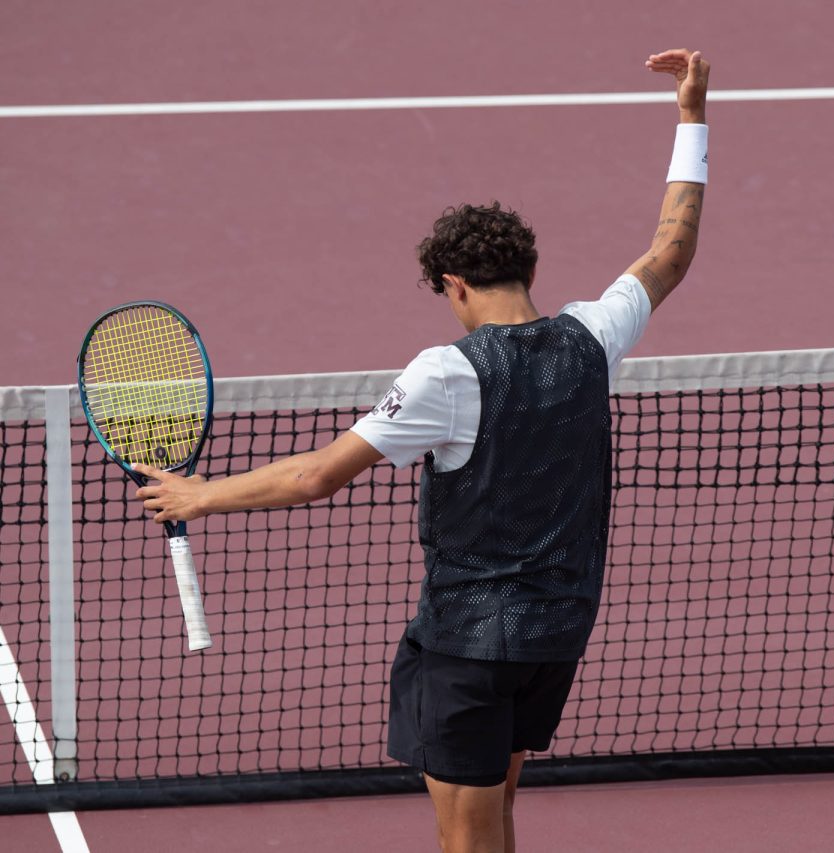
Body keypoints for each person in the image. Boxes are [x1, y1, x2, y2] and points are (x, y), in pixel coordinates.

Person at [134, 48, 710, 853]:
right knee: (496, 815)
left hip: (469, 647)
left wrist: (200, 494)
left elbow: (316, 476)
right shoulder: (595, 334)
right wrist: (692, 112)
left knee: (469, 840)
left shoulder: (445, 374)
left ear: (455, 284)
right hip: (556, 636)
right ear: (527, 268)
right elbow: (670, 249)